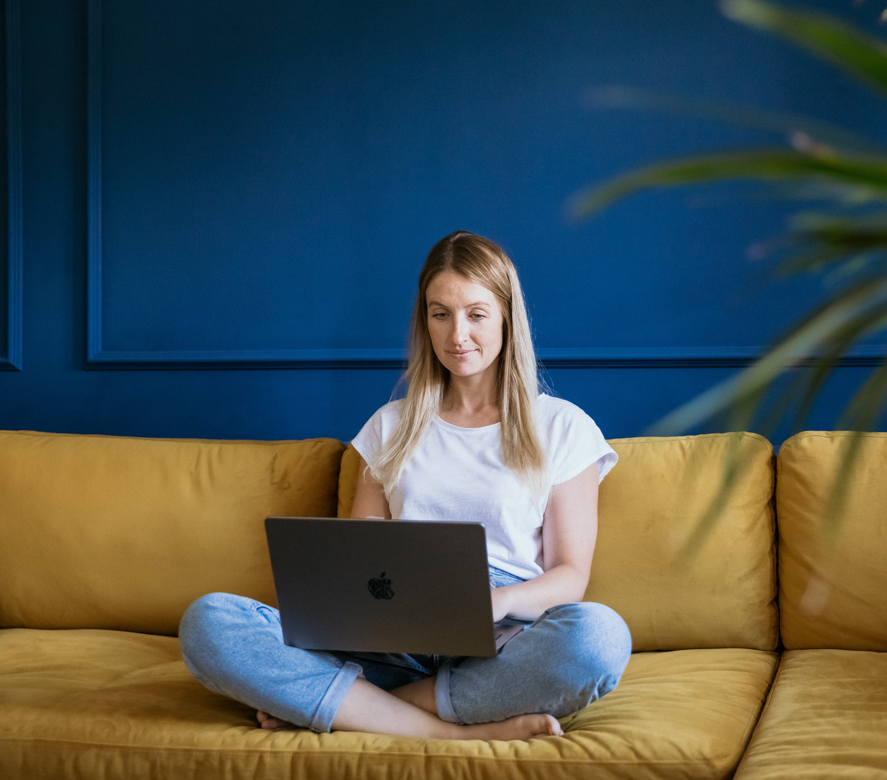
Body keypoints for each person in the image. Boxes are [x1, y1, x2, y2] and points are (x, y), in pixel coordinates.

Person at [179, 231, 631, 741]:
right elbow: (360, 553)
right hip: (391, 630)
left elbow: (570, 576)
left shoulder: (562, 427)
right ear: (425, 320)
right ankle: (451, 730)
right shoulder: (390, 426)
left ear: (507, 316)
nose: (457, 334)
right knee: (209, 621)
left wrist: (497, 601)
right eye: (441, 314)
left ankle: (361, 707)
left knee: (599, 639)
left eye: (476, 314)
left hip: (499, 637)